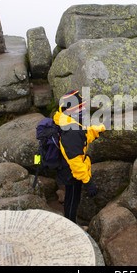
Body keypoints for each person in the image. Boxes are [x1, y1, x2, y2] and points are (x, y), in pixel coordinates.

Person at [53, 90, 106, 223]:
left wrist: (96, 130)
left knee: (72, 197)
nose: (83, 109)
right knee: (72, 198)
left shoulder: (68, 120)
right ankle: (70, 225)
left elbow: (82, 138)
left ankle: (70, 221)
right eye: (79, 107)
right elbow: (75, 161)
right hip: (70, 170)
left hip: (67, 165)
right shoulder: (71, 130)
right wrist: (88, 182)